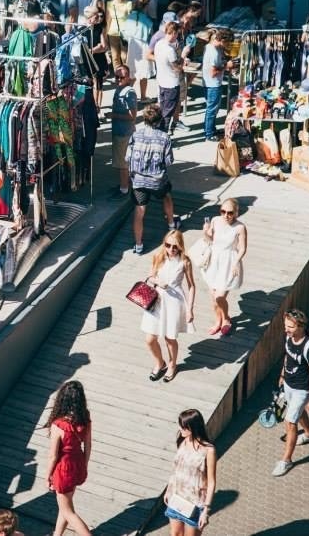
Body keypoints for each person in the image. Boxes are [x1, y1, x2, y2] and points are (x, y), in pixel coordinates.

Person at [271, 309, 309, 478]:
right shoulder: (289, 337)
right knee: (298, 414)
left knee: (290, 422)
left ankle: (286, 460)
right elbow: (288, 356)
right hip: (288, 384)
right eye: (286, 325)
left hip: (302, 389)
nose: (286, 329)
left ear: (301, 326)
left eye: (290, 327)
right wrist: (282, 374)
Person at [142, 230, 195, 383]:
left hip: (174, 301)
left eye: (175, 246)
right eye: (168, 245)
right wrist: (158, 282)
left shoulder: (185, 261)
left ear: (180, 246)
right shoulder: (159, 256)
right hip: (157, 300)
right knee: (150, 339)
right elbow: (150, 276)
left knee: (169, 338)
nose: (171, 249)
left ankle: (172, 364)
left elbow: (191, 286)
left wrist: (190, 308)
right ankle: (160, 362)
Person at [125, 105, 178, 254]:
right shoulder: (164, 138)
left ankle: (139, 244)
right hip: (157, 180)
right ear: (159, 120)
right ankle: (171, 225)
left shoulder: (135, 136)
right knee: (166, 196)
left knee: (139, 211)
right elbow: (169, 161)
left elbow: (127, 157)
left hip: (139, 181)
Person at [45, 380, 93, 536]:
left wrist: (48, 476)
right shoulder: (85, 418)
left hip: (64, 469)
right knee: (65, 506)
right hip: (78, 463)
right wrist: (84, 466)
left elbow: (53, 456)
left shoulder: (58, 425)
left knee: (68, 512)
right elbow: (88, 446)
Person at [164, 409, 216, 534]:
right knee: (175, 534)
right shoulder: (182, 440)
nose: (180, 429)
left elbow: (211, 483)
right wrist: (168, 490)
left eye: (183, 427)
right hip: (176, 498)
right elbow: (176, 470)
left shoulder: (208, 450)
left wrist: (205, 511)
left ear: (192, 428)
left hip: (194, 504)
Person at [201, 198, 247, 336]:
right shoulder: (215, 220)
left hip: (228, 262)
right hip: (214, 261)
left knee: (219, 297)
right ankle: (218, 321)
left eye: (230, 213)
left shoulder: (240, 227)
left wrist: (236, 262)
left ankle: (226, 319)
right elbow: (210, 241)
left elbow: (243, 248)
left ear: (236, 213)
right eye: (223, 211)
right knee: (213, 299)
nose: (226, 215)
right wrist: (205, 232)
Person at [109, 66, 137, 200]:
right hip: (119, 131)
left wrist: (114, 115)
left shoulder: (129, 92)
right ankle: (124, 185)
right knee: (122, 162)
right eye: (117, 77)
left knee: (122, 163)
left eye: (122, 77)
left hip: (124, 133)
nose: (119, 80)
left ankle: (124, 189)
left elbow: (132, 116)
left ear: (128, 77)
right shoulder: (119, 89)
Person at [201, 30, 232, 141]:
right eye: (227, 43)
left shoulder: (211, 46)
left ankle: (210, 129)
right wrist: (226, 66)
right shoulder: (213, 52)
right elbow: (213, 73)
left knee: (212, 109)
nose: (228, 45)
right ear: (222, 40)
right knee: (212, 109)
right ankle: (209, 134)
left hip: (209, 83)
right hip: (212, 84)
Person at [154, 21, 184, 133]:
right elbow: (178, 68)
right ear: (174, 33)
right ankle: (163, 135)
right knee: (167, 113)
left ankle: (159, 132)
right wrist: (183, 56)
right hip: (171, 84)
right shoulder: (170, 50)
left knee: (162, 110)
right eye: (177, 34)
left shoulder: (159, 44)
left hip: (161, 82)